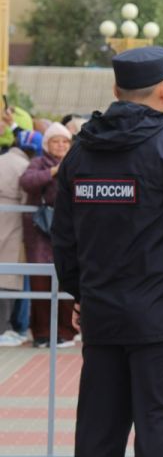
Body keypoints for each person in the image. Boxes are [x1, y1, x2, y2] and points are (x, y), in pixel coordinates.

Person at [51, 46, 163, 457]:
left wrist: (79, 293)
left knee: (98, 435)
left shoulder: (81, 152)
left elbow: (64, 237)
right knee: (159, 433)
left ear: (116, 89)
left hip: (102, 316)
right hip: (161, 321)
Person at [20, 122, 77, 348]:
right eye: (56, 140)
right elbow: (26, 182)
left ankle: (66, 331)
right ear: (46, 143)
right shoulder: (37, 162)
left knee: (67, 282)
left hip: (69, 233)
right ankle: (42, 333)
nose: (61, 145)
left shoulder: (76, 161)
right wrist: (52, 172)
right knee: (41, 284)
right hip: (41, 234)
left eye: (65, 141)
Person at [0, 130, 41, 346]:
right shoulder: (24, 167)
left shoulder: (3, 159)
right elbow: (28, 194)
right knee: (10, 278)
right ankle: (7, 328)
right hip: (14, 222)